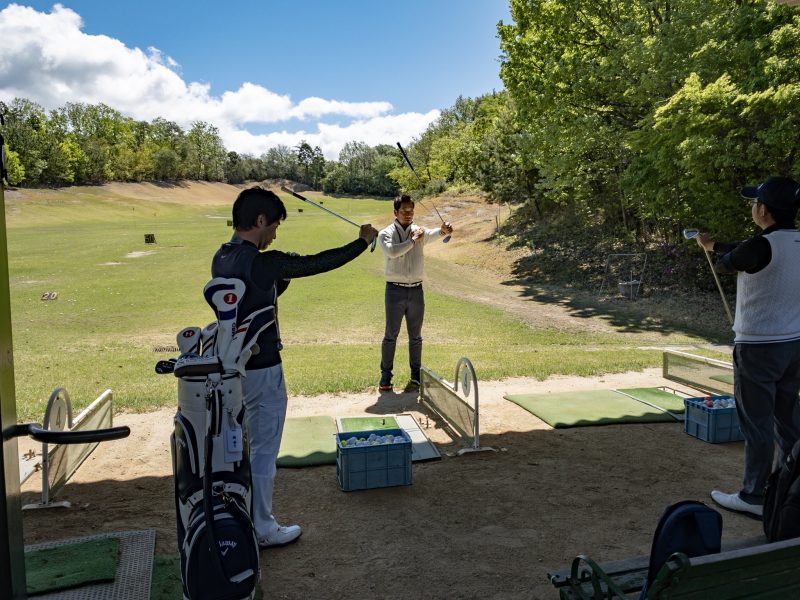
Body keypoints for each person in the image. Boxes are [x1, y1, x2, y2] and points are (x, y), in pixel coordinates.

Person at [212, 186, 377, 547]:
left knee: (239, 448)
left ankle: (243, 519)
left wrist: (277, 279)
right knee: (264, 451)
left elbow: (257, 292)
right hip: (263, 369)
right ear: (258, 221)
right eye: (273, 226)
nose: (274, 234)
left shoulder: (222, 257)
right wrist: (362, 242)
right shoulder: (261, 260)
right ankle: (263, 528)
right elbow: (315, 263)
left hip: (230, 371)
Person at [696, 175, 800, 517]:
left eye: (756, 203)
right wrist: (713, 244)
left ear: (764, 210)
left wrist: (715, 249)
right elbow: (743, 251)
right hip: (794, 345)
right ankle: (792, 487)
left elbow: (733, 261)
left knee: (757, 422)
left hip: (759, 348)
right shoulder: (793, 240)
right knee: (789, 419)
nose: (754, 207)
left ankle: (754, 495)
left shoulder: (759, 246)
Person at [377, 194, 453, 392]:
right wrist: (412, 241)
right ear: (395, 212)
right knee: (390, 336)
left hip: (416, 291)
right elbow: (392, 251)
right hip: (394, 290)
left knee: (416, 337)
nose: (408, 214)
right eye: (404, 211)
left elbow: (436, 233)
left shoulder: (419, 231)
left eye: (411, 210)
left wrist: (444, 230)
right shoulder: (386, 233)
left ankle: (415, 376)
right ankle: (386, 377)